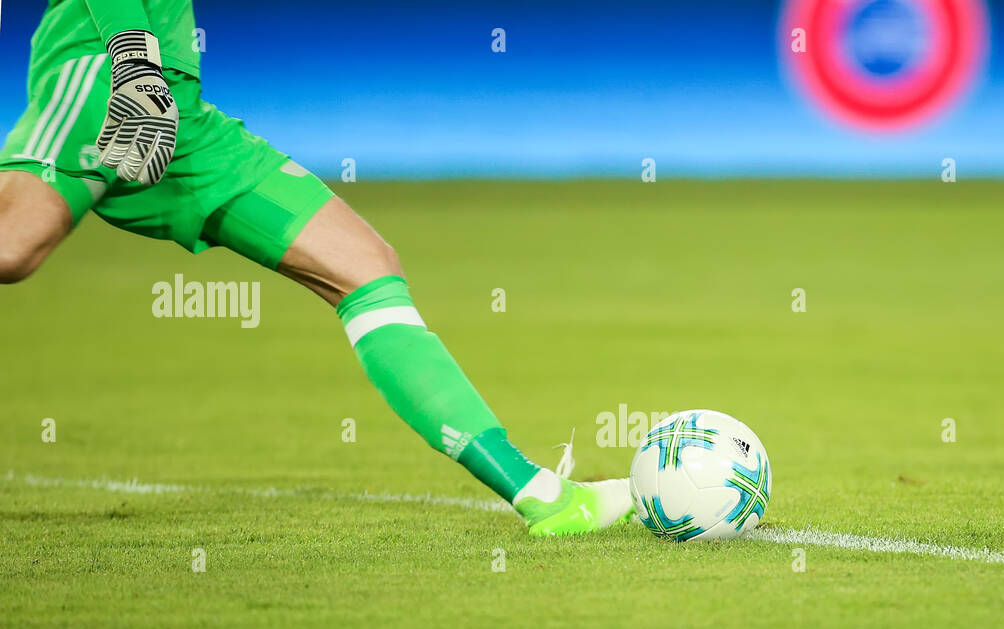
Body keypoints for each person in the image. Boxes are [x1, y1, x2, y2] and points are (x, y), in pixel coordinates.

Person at [0, 0, 633, 536]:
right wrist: (134, 61)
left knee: (366, 265)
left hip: (184, 111)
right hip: (107, 77)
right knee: (14, 249)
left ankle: (541, 499)